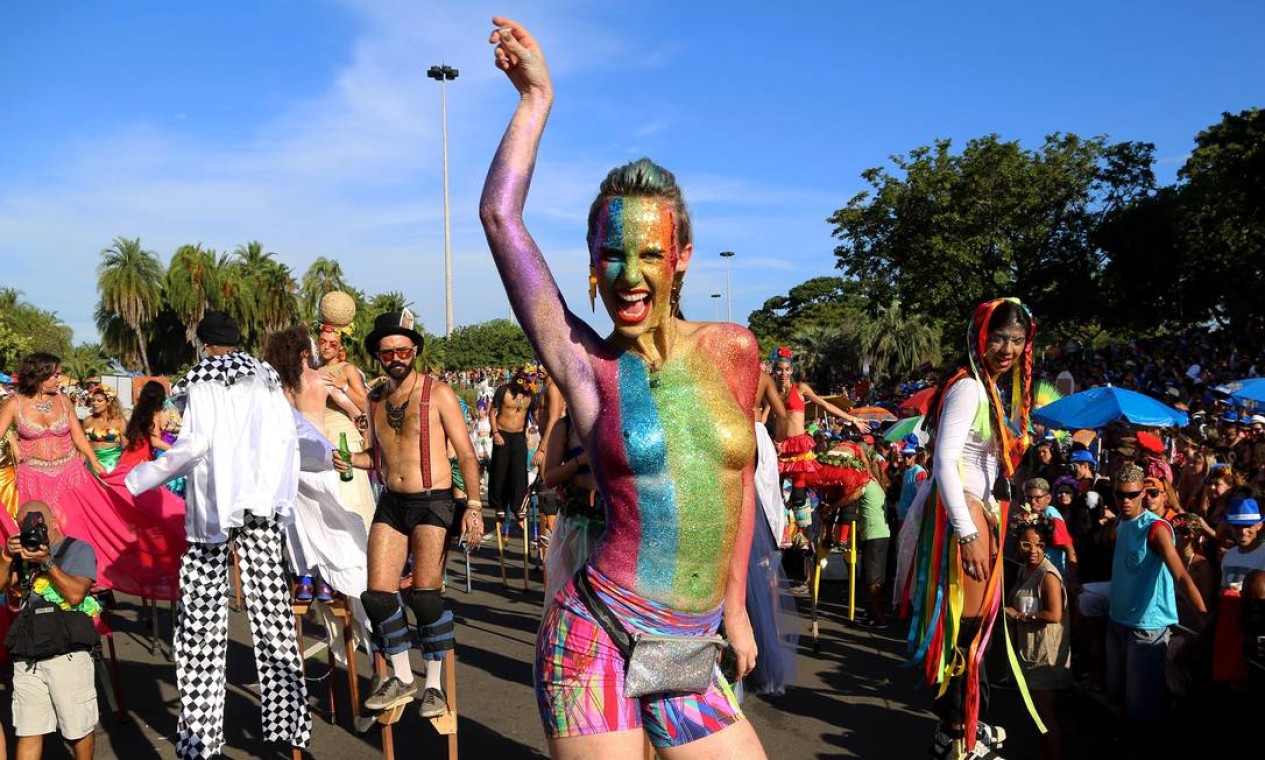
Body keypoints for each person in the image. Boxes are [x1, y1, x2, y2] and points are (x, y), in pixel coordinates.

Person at [481, 17, 764, 758]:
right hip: (596, 636)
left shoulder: (733, 350)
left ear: (682, 258)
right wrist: (535, 101)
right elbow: (499, 217)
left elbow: (738, 485)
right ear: (591, 261)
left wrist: (734, 606)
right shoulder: (587, 367)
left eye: (648, 253)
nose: (629, 275)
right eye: (611, 255)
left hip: (686, 652)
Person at [124, 312, 310, 760]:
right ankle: (289, 727)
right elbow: (293, 433)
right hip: (261, 507)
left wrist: (136, 479)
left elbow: (192, 446)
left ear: (205, 344)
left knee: (201, 629)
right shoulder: (264, 376)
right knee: (274, 617)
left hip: (213, 512)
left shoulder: (201, 382)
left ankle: (201, 740)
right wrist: (322, 461)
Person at [899, 298, 1036, 759]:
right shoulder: (971, 390)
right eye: (999, 338)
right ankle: (961, 731)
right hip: (965, 512)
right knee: (967, 633)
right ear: (980, 336)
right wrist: (969, 532)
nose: (1008, 349)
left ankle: (958, 728)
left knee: (969, 631)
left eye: (1017, 341)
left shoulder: (985, 386)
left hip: (975, 510)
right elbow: (944, 461)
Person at [335, 312, 482, 719]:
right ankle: (402, 677)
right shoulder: (376, 399)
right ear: (378, 356)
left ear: (414, 351)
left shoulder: (439, 394)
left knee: (425, 597)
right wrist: (345, 459)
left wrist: (473, 505)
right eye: (388, 352)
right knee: (378, 597)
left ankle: (433, 687)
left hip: (434, 501)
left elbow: (466, 453)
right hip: (392, 501)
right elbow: (376, 459)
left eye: (403, 350)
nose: (396, 357)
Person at [0, 354, 183, 600]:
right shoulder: (15, 404)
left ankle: (84, 586)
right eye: (54, 375)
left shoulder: (64, 401)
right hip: (33, 480)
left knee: (77, 530)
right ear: (39, 376)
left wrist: (95, 462)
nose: (59, 379)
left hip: (70, 476)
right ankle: (41, 592)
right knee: (39, 533)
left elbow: (78, 436)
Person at [1105, 465, 1206, 736]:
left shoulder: (1157, 529)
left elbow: (1181, 576)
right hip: (1118, 620)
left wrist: (1205, 617)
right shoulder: (1122, 521)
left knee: (1143, 708)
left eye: (1132, 494)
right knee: (1119, 697)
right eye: (1119, 494)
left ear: (1143, 493)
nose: (1125, 500)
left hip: (1147, 628)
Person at [1, 501, 99, 760]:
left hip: (67, 654)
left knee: (78, 728)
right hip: (28, 654)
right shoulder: (21, 558)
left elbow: (76, 594)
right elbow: (1, 585)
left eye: (38, 523)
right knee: (28, 730)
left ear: (53, 520)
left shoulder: (78, 549)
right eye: (25, 526)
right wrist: (6, 558)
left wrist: (47, 562)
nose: (32, 532)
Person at [1003, 518, 1070, 760]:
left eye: (1040, 545)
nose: (1033, 550)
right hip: (1028, 651)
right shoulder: (1024, 569)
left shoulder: (1048, 574)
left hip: (1044, 655)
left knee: (1045, 716)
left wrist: (1020, 616)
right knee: (1037, 716)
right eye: (1027, 544)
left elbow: (1054, 614)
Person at [314, 306, 376, 530]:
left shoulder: (347, 369)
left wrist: (345, 387)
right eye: (322, 342)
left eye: (332, 343)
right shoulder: (313, 371)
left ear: (341, 346)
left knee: (350, 498)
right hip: (321, 438)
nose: (326, 347)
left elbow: (367, 404)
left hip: (345, 437)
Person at [489, 369, 537, 521]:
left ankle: (517, 506)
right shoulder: (504, 391)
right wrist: (495, 432)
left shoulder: (531, 396)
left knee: (518, 472)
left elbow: (536, 415)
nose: (529, 385)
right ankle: (499, 505)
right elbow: (492, 412)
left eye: (531, 382)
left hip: (519, 436)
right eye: (527, 381)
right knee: (500, 471)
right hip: (502, 434)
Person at [81, 386, 126, 473]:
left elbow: (125, 446)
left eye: (99, 401)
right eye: (93, 400)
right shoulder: (88, 421)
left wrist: (123, 468)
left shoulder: (119, 421)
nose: (95, 403)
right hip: (92, 464)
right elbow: (82, 446)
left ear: (108, 402)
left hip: (113, 465)